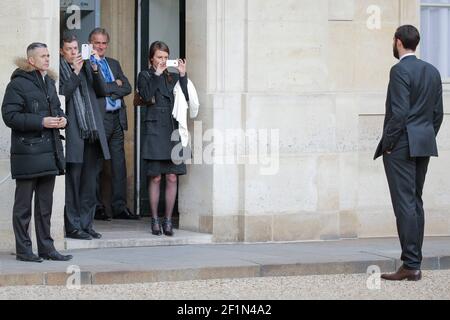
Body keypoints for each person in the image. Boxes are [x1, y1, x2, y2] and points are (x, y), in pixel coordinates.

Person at [374, 25, 444, 281]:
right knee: (415, 202)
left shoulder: (399, 70)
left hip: (401, 144)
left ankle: (411, 264)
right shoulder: (433, 71)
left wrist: (390, 143)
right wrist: (425, 136)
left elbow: (399, 112)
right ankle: (413, 262)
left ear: (399, 42)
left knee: (405, 204)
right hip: (423, 143)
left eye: (394, 40)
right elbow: (437, 115)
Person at [1, 42, 72, 262]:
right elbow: (9, 116)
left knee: (45, 206)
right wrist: (41, 121)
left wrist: (63, 119)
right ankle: (24, 250)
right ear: (31, 60)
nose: (47, 59)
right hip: (28, 154)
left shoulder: (49, 82)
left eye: (49, 55)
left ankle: (47, 249)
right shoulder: (18, 85)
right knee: (23, 207)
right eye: (43, 56)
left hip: (50, 152)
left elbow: (58, 109)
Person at [59, 34, 111, 240]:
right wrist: (76, 73)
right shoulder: (61, 71)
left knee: (90, 182)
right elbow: (63, 95)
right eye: (69, 49)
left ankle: (86, 224)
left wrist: (96, 69)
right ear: (62, 52)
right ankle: (72, 227)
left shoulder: (88, 66)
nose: (74, 52)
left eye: (75, 48)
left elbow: (102, 91)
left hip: (93, 131)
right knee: (73, 182)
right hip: (74, 132)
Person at [137, 41, 189, 236]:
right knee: (156, 177)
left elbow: (186, 99)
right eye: (159, 57)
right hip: (155, 130)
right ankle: (155, 219)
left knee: (173, 176)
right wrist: (157, 74)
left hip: (174, 130)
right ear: (152, 58)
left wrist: (183, 75)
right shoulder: (145, 75)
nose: (163, 61)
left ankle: (168, 220)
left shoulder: (173, 76)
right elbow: (146, 95)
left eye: (166, 57)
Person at [89, 28, 138, 221]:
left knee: (119, 165)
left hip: (117, 118)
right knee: (96, 164)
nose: (100, 46)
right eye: (96, 43)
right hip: (100, 120)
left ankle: (119, 207)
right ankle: (96, 207)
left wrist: (112, 89)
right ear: (90, 44)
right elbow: (97, 89)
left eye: (103, 43)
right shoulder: (87, 63)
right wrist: (113, 86)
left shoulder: (113, 63)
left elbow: (127, 87)